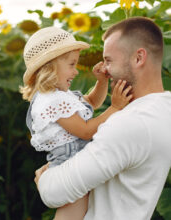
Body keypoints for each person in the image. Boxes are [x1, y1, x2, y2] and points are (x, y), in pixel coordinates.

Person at [34, 17, 171, 220]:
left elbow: (54, 193)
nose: (104, 69)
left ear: (138, 58)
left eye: (109, 60)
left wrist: (42, 178)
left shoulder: (130, 123)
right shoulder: (163, 108)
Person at [20, 26, 132, 219]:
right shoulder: (51, 101)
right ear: (50, 66)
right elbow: (86, 131)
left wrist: (102, 81)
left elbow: (91, 103)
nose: (76, 71)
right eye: (72, 64)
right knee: (73, 212)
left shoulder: (59, 95)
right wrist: (114, 108)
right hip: (68, 160)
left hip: (73, 157)